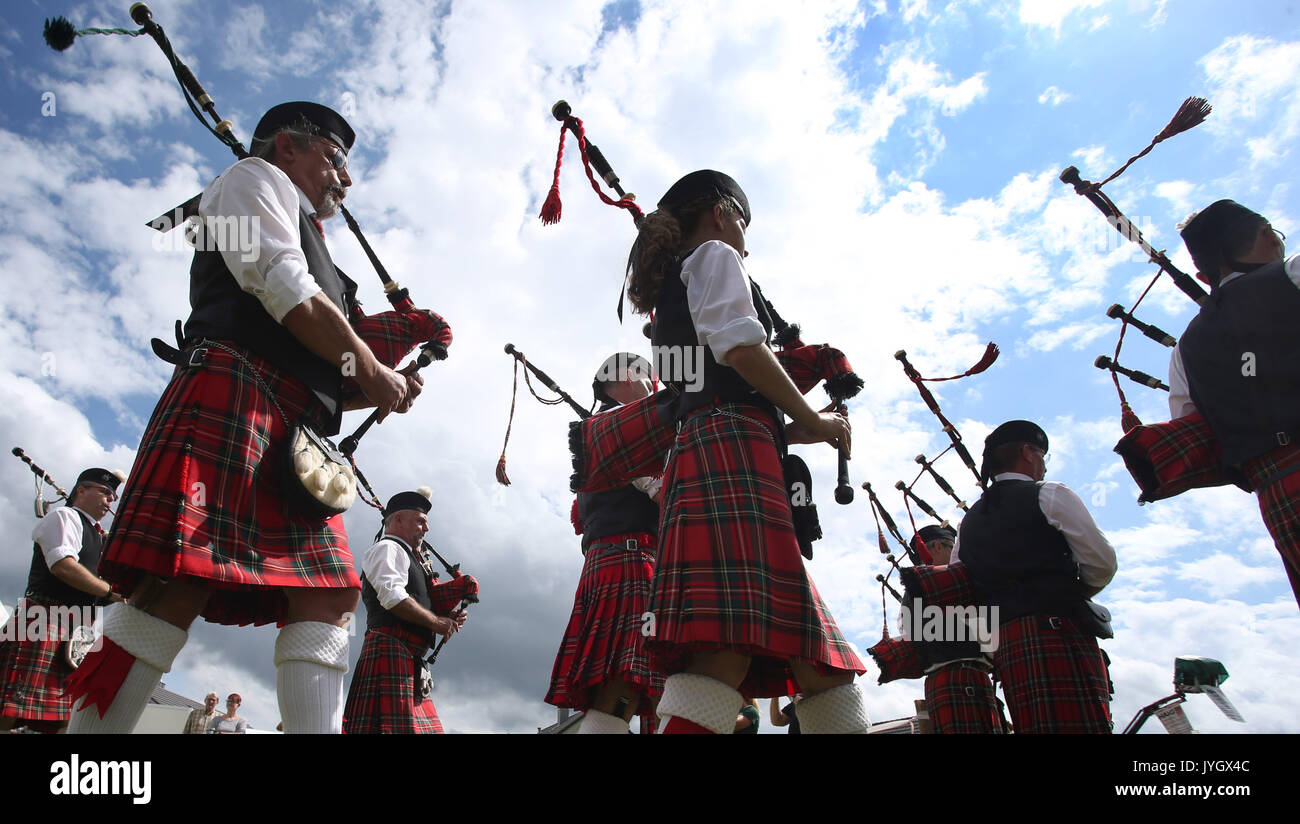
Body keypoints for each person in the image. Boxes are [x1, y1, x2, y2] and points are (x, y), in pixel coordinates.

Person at [66, 102, 432, 735]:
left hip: (292, 428)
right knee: (172, 588)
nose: (343, 178)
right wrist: (375, 371)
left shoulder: (319, 249)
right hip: (232, 393)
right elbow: (278, 282)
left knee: (330, 593)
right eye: (334, 159)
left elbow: (321, 377)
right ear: (288, 146)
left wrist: (390, 370)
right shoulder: (249, 181)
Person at [626, 170, 868, 734]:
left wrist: (802, 429)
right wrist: (812, 416)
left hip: (715, 446)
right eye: (744, 219)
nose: (746, 237)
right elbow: (738, 345)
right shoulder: (713, 253)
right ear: (719, 210)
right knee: (746, 653)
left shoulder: (671, 295)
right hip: (733, 454)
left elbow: (714, 387)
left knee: (741, 653)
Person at [1167, 200, 1300, 606]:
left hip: (1278, 492)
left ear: (1203, 275)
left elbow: (1193, 429)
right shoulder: (1292, 273)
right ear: (1266, 235)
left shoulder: (1183, 351)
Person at [951, 421, 1116, 733]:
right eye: (1043, 455)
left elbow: (962, 586)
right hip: (1059, 632)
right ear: (1028, 452)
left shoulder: (967, 523)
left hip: (1008, 646)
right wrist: (1073, 594)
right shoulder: (1050, 494)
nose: (1043, 464)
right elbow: (1102, 562)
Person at [546, 354, 664, 734]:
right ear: (629, 376)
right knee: (628, 683)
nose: (654, 388)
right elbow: (669, 496)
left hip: (620, 561)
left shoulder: (601, 428)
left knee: (649, 685)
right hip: (632, 560)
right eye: (649, 379)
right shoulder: (622, 429)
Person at [0, 468, 125, 733]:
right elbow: (63, 566)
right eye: (104, 493)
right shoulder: (64, 516)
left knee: (60, 718)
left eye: (113, 497)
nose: (109, 501)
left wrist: (117, 592)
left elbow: (94, 593)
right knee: (12, 707)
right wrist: (109, 591)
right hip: (44, 620)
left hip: (78, 630)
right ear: (81, 490)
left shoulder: (99, 537)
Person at [343, 489, 471, 734]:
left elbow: (413, 601)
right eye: (420, 521)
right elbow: (393, 598)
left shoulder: (412, 558)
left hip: (408, 659)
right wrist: (435, 623)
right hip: (390, 651)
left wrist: (447, 619)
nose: (426, 528)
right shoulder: (387, 549)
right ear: (398, 520)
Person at [907, 524, 1001, 734]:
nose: (957, 554)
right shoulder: (948, 585)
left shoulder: (916, 586)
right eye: (952, 547)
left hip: (944, 682)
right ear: (938, 547)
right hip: (964, 680)